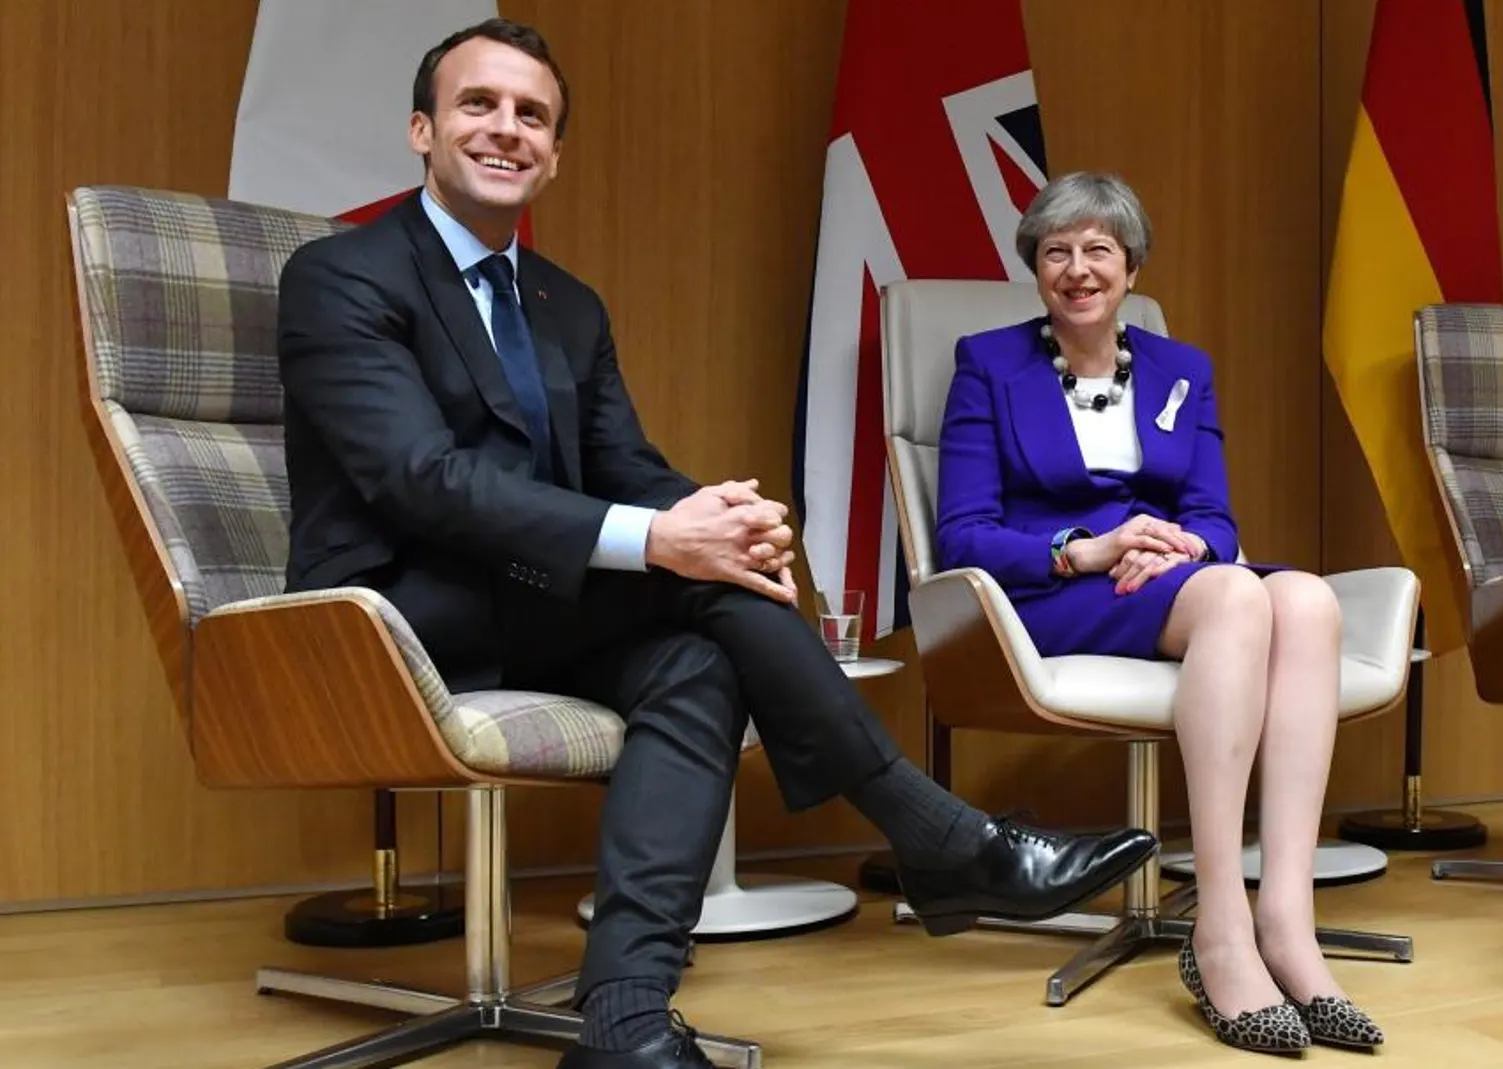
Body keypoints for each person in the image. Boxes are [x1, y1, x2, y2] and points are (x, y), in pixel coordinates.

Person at [275, 20, 1157, 1069]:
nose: (505, 129)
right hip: (386, 612)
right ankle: (940, 838)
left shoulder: (566, 305)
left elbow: (626, 465)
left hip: (534, 602)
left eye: (532, 115)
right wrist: (667, 540)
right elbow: (418, 479)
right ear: (422, 129)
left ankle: (624, 1016)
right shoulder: (342, 275)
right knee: (709, 597)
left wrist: (722, 520)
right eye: (479, 105)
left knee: (700, 658)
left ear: (554, 153)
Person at [933, 172, 1382, 1055]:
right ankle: (1220, 925)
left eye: (1098, 248)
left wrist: (1178, 549)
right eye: (1056, 250)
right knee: (1241, 594)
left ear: (1132, 267)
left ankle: (1286, 918)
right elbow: (963, 534)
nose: (1077, 267)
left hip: (1166, 577)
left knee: (1308, 598)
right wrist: (1084, 548)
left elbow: (1215, 517)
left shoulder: (1184, 370)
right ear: (1035, 269)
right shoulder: (989, 363)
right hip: (1053, 594)